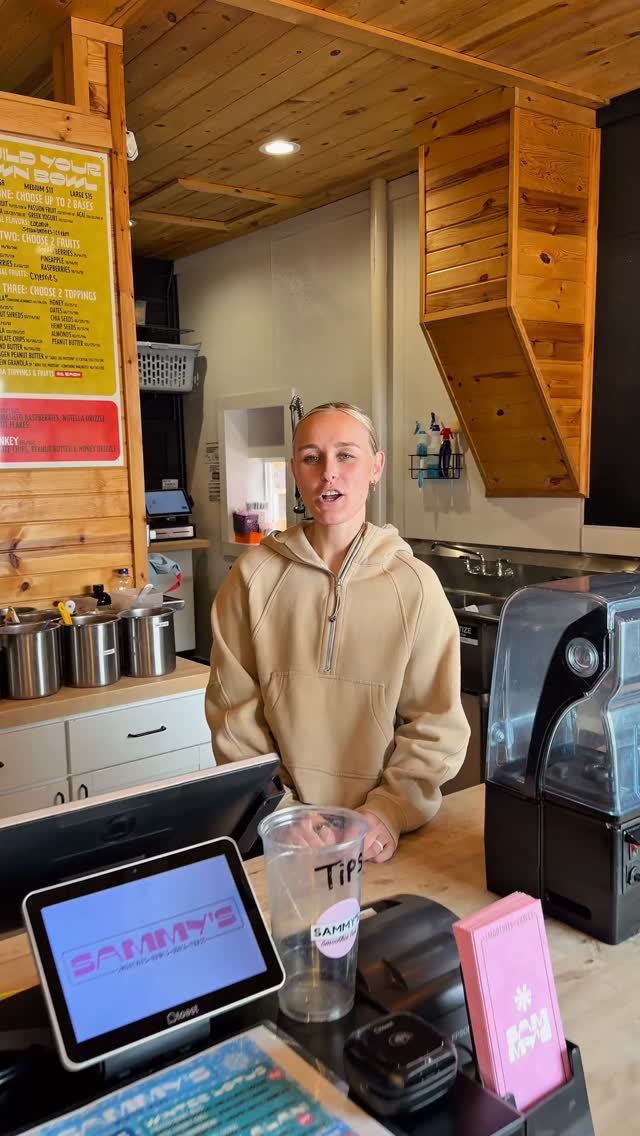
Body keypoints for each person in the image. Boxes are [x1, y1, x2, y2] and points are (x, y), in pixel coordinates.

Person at [206, 402, 470, 863]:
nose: (329, 472)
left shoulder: (416, 586)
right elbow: (233, 717)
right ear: (295, 471)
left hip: (384, 839)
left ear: (376, 467)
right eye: (312, 458)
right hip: (279, 835)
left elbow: (436, 724)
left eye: (346, 455)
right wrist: (280, 810)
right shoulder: (251, 579)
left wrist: (388, 809)